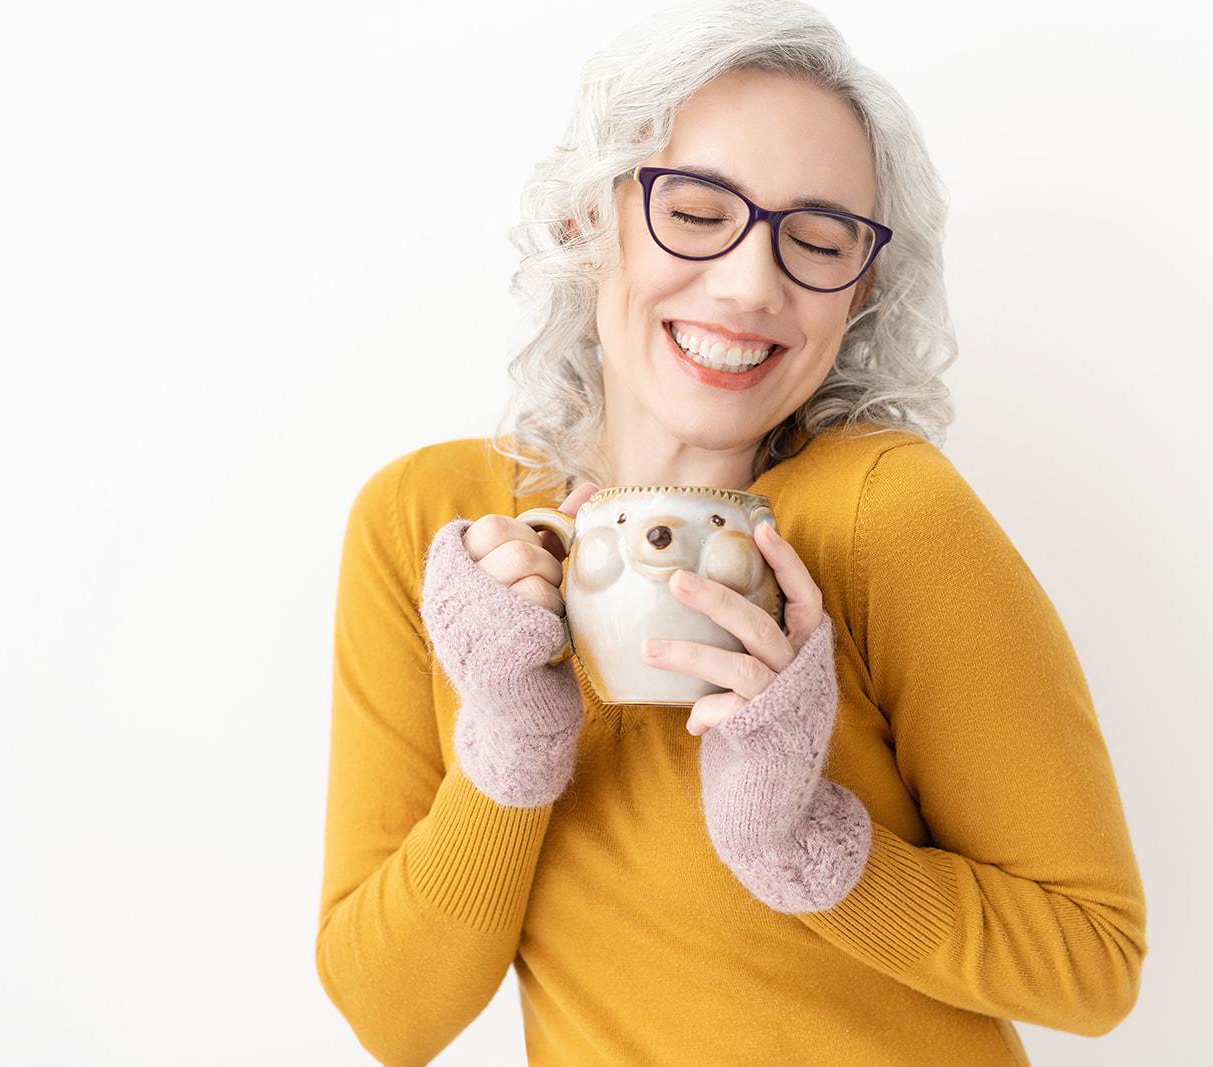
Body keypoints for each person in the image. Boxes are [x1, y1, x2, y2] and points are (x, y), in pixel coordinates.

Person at [314, 2, 1147, 1063]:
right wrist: (509, 747)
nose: (752, 285)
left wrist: (801, 839)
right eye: (697, 212)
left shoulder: (888, 513)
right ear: (587, 219)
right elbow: (392, 1015)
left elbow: (1092, 963)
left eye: (818, 240)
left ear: (860, 290)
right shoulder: (433, 527)